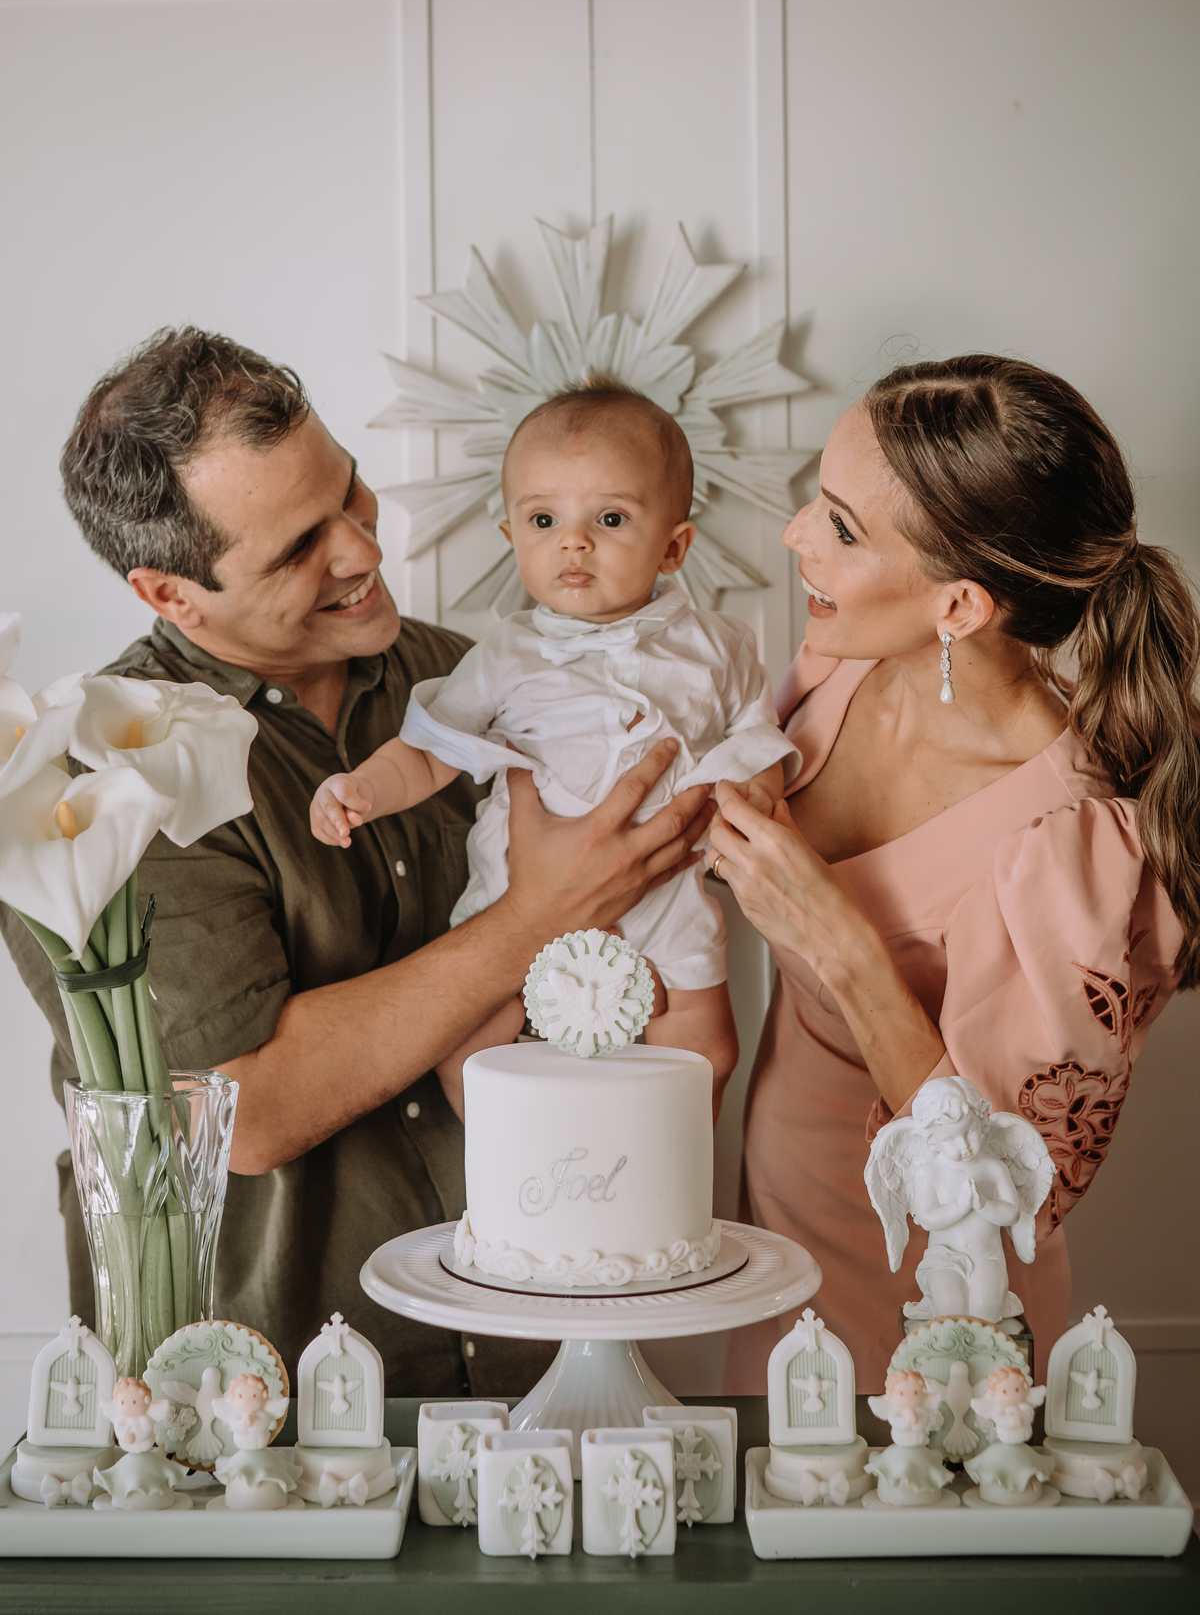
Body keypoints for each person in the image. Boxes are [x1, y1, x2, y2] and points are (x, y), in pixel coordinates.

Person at [0, 328, 715, 1394]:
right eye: (299, 547)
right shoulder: (96, 779)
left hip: (542, 1338)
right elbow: (245, 1108)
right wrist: (539, 913)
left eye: (349, 490)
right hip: (275, 1382)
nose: (361, 551)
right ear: (170, 594)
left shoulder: (470, 680)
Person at [709, 354, 1198, 1390]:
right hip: (771, 1249)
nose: (795, 535)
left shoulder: (1068, 842)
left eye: (842, 529)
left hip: (934, 1306)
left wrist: (844, 949)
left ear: (961, 607)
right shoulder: (846, 660)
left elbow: (1014, 1190)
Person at [311, 381, 796, 1109]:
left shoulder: (717, 645)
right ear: (512, 537)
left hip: (666, 895)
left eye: (610, 518)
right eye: (544, 519)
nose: (574, 541)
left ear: (673, 546)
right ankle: (522, 1163)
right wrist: (364, 790)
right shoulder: (505, 655)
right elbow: (428, 751)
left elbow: (755, 740)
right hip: (517, 892)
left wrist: (753, 794)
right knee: (466, 1053)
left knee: (709, 1050)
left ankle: (652, 1159)